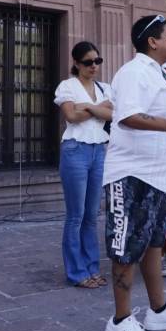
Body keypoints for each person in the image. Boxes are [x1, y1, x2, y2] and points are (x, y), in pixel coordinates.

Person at [102, 15, 166, 331]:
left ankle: (157, 312)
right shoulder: (133, 72)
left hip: (161, 176)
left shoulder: (160, 73)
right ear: (152, 41)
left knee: (154, 243)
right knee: (126, 247)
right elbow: (126, 115)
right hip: (132, 175)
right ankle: (120, 321)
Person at [54, 42, 114, 289]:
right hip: (75, 149)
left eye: (97, 61)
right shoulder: (67, 86)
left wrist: (87, 106)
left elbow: (112, 115)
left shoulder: (105, 87)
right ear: (77, 64)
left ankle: (92, 267)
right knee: (76, 215)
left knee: (92, 214)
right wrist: (98, 109)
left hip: (99, 149)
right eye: (88, 62)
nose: (93, 67)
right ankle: (77, 272)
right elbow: (71, 116)